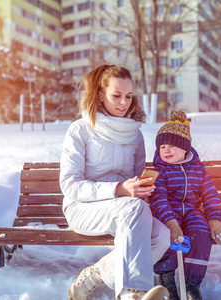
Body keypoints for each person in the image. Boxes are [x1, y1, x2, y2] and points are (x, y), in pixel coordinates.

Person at [59, 64, 170, 300]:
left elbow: (135, 180)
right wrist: (119, 189)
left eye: (129, 96)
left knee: (161, 236)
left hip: (126, 209)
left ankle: (97, 274)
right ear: (100, 95)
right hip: (83, 208)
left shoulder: (135, 134)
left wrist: (140, 188)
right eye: (116, 95)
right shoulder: (80, 130)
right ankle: (133, 292)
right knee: (133, 208)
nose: (123, 103)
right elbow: (70, 185)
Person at [149, 111, 221, 300]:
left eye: (172, 146)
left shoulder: (197, 167)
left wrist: (215, 220)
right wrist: (172, 224)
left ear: (185, 149)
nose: (166, 150)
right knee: (164, 236)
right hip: (167, 214)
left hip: (191, 212)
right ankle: (166, 280)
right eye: (163, 146)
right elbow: (158, 199)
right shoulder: (159, 170)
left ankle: (192, 283)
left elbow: (210, 193)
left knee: (201, 233)